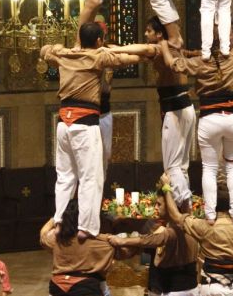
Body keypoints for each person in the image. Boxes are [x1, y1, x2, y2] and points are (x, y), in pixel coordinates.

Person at [41, 24, 152, 238]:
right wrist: (148, 54)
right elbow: (134, 57)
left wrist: (61, 47)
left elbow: (44, 50)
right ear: (100, 40)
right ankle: (86, 228)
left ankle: (59, 221)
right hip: (84, 124)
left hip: (64, 123)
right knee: (91, 177)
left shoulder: (65, 55)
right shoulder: (99, 57)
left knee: (65, 177)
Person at [159, 41, 233, 219]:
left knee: (209, 168)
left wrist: (163, 48)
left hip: (210, 118)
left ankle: (209, 215)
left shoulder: (201, 61)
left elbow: (174, 65)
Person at [141, 18, 196, 207]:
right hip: (186, 108)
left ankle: (181, 207)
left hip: (175, 109)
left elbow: (139, 50)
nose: (145, 34)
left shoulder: (157, 48)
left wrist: (110, 51)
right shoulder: (178, 50)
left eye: (148, 31)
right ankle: (186, 207)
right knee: (181, 165)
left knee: (172, 165)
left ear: (159, 34)